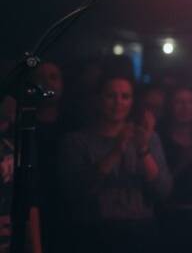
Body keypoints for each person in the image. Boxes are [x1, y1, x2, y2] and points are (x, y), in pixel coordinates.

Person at [58, 75, 172, 253]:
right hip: (94, 235)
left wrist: (143, 148)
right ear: (98, 99)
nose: (118, 102)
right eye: (111, 96)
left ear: (132, 101)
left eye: (125, 96)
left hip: (141, 234)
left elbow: (162, 191)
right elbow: (77, 191)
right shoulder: (77, 141)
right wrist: (117, 150)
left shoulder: (149, 138)